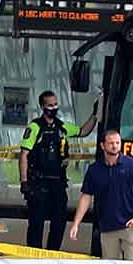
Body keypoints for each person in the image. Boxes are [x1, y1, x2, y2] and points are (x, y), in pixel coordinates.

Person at [20, 90, 98, 252]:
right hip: (39, 183)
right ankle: (33, 256)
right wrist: (24, 182)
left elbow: (83, 131)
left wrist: (95, 115)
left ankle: (52, 254)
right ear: (42, 107)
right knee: (36, 222)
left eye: (56, 104)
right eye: (50, 105)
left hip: (57, 182)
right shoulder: (35, 127)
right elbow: (24, 155)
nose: (54, 108)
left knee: (59, 221)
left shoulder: (62, 127)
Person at [68, 130, 133, 262]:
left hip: (130, 226)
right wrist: (76, 224)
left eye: (117, 143)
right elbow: (86, 197)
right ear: (102, 145)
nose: (115, 146)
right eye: (111, 143)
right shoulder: (94, 169)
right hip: (107, 227)